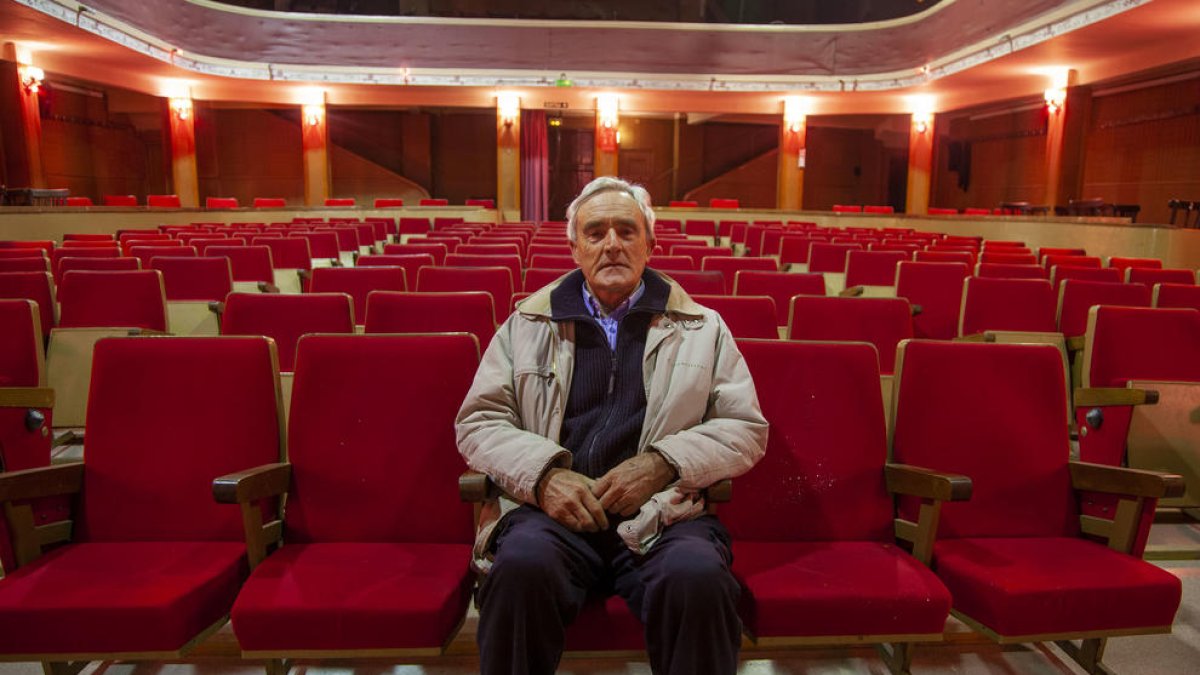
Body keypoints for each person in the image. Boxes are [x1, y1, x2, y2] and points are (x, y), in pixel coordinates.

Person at [455, 176, 768, 675]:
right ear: (575, 247)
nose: (612, 244)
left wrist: (664, 464)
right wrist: (545, 476)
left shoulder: (702, 328)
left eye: (626, 230)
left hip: (662, 514)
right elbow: (480, 421)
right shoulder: (527, 324)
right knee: (519, 570)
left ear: (650, 244)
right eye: (596, 232)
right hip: (550, 513)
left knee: (699, 578)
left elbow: (744, 427)